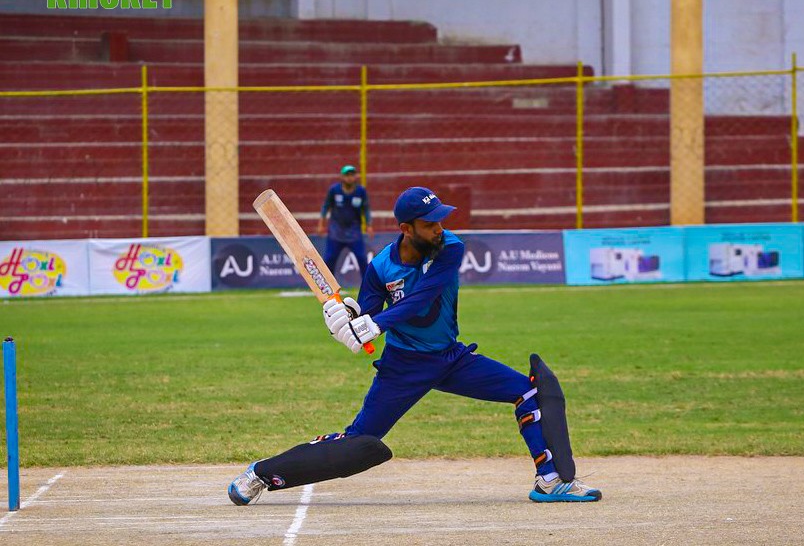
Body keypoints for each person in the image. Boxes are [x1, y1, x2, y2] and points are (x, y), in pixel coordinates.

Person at [228, 187, 601, 505]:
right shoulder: (380, 267)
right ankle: (259, 474)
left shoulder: (450, 248)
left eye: (440, 220)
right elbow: (366, 314)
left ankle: (551, 481)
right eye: (430, 224)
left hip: (451, 359)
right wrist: (345, 320)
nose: (439, 228)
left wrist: (373, 324)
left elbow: (423, 297)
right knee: (359, 443)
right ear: (406, 229)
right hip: (403, 368)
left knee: (528, 391)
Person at [317, 165, 373, 278]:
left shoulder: (360, 191)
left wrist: (369, 225)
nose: (350, 177)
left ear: (355, 176)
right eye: (347, 175)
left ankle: (368, 285)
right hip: (336, 232)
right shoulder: (334, 190)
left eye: (352, 175)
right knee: (329, 260)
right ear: (342, 177)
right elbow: (326, 206)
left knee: (362, 259)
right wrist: (321, 224)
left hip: (354, 232)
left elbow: (366, 209)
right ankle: (328, 286)